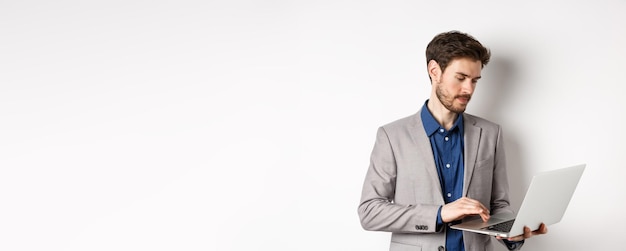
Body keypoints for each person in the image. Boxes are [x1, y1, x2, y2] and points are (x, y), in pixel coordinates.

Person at [357, 31, 547, 251]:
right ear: (434, 71)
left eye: (475, 80)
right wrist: (439, 213)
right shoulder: (392, 136)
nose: (469, 89)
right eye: (461, 78)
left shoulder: (490, 133)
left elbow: (498, 205)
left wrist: (510, 232)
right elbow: (369, 212)